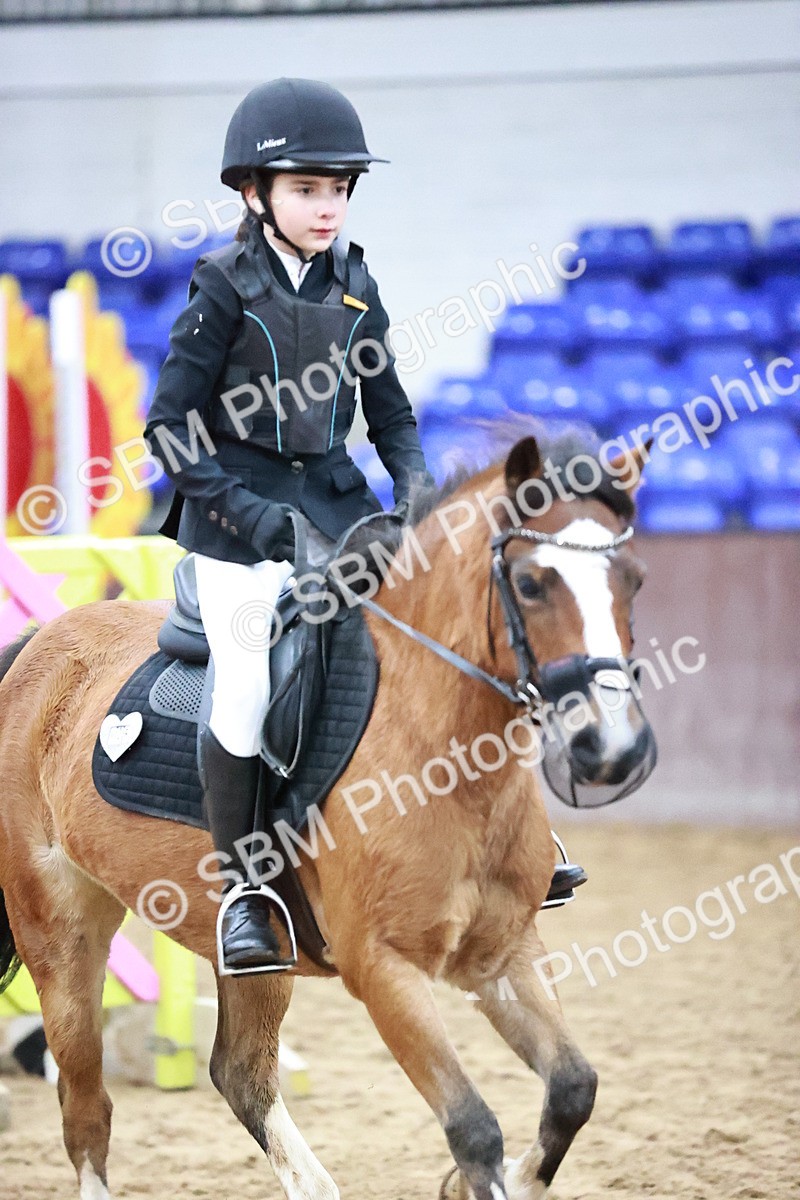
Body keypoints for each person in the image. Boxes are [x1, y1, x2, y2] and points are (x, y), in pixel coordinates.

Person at [143, 77, 583, 973]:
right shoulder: (221, 286)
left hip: (341, 509)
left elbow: (389, 409)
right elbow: (171, 426)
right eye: (308, 188)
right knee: (243, 687)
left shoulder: (355, 280)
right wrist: (261, 521)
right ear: (254, 193)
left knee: (442, 638)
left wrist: (416, 484)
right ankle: (246, 891)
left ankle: (519, 845)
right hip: (235, 520)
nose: (327, 206)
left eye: (339, 189)